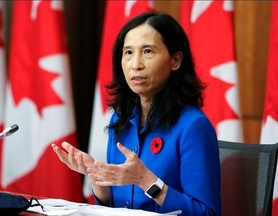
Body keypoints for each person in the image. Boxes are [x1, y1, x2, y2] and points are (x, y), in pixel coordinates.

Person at [52, 12, 221, 216]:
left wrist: (147, 181)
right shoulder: (121, 119)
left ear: (175, 60)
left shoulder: (193, 126)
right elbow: (119, 208)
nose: (135, 64)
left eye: (148, 51)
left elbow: (207, 213)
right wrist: (97, 179)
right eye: (128, 53)